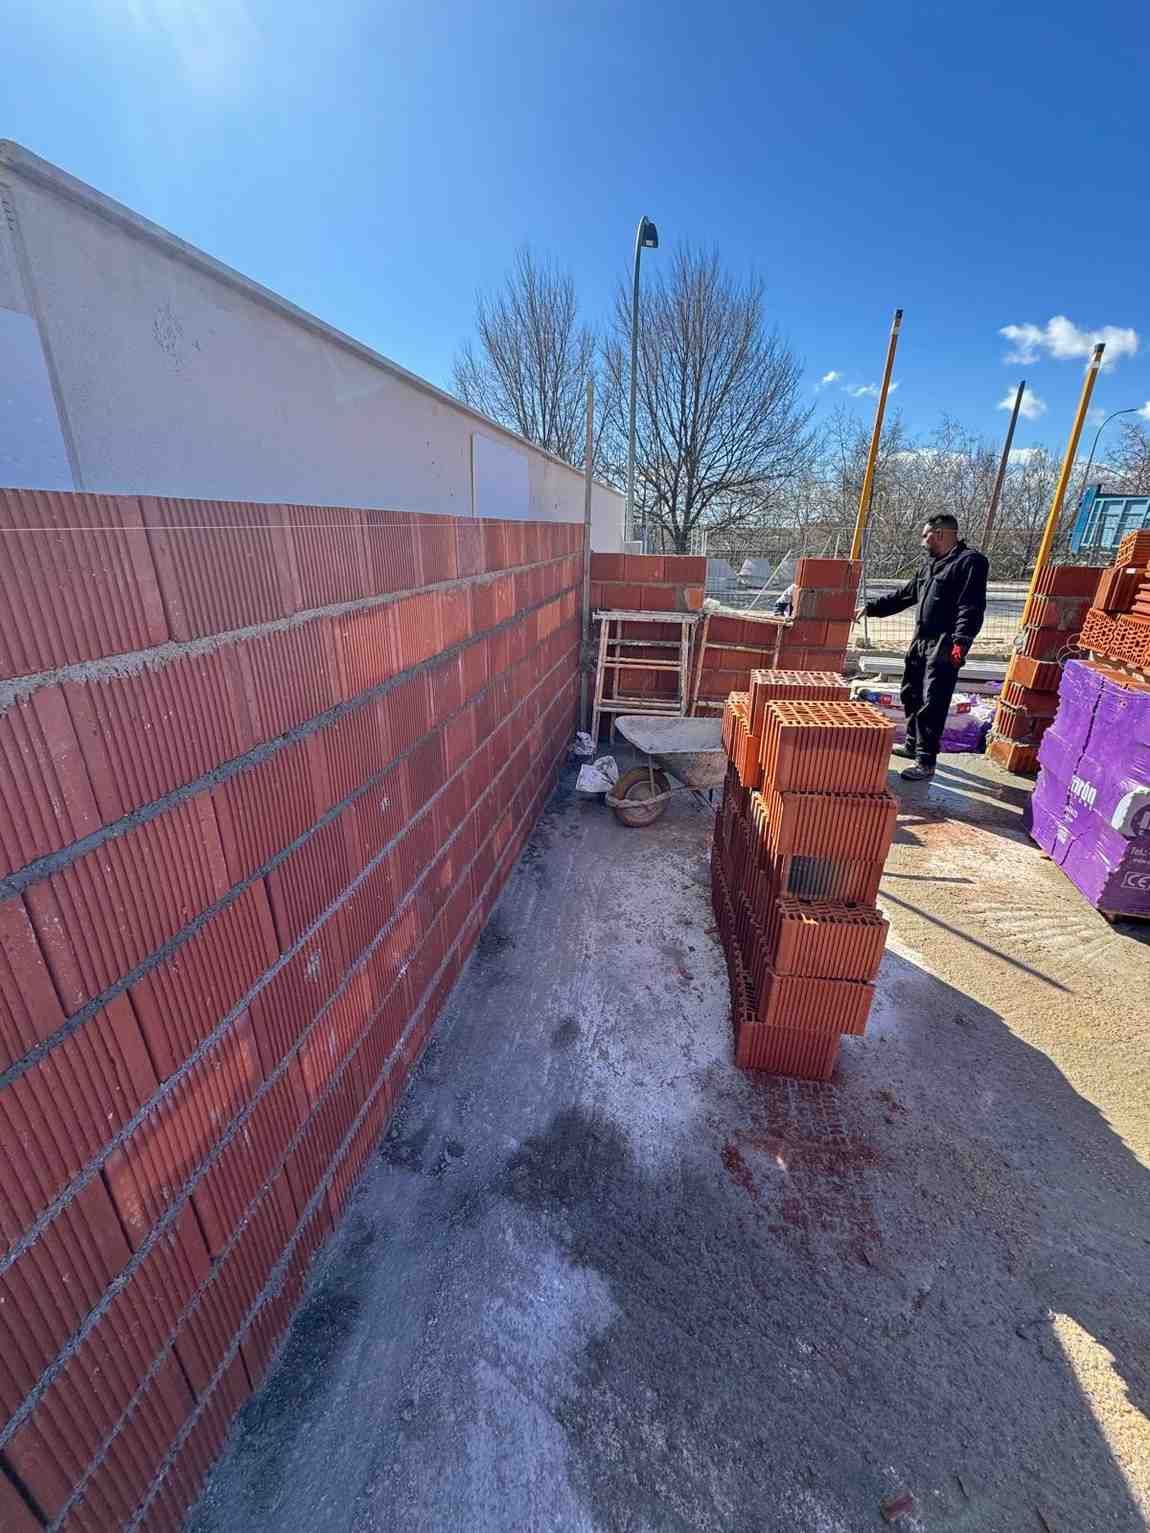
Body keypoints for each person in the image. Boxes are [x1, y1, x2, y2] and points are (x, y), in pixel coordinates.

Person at [859, 514, 989, 782]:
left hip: (945, 643)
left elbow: (971, 606)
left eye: (925, 535)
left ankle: (926, 761)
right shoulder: (930, 565)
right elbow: (904, 596)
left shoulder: (969, 563)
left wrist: (961, 641)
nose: (922, 541)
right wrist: (870, 608)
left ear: (940, 534)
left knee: (934, 702)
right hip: (921, 639)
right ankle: (911, 744)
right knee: (911, 693)